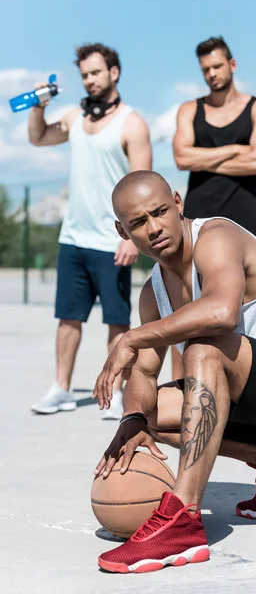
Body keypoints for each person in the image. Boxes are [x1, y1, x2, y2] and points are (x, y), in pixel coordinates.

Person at [92, 170, 256, 574]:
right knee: (152, 414)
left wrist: (131, 337)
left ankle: (182, 520)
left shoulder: (217, 237)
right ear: (122, 231)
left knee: (206, 347)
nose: (154, 228)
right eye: (138, 223)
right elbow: (144, 374)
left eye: (159, 212)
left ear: (178, 203)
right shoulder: (153, 292)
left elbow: (221, 312)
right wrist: (132, 418)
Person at [28, 43, 152, 419]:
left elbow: (142, 183)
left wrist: (130, 237)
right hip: (74, 237)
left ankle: (114, 393)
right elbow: (38, 137)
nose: (89, 80)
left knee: (116, 321)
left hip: (111, 240)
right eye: (84, 75)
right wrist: (38, 106)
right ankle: (61, 389)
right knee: (68, 319)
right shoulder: (73, 118)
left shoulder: (132, 122)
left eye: (96, 72)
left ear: (114, 73)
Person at [172, 35, 256, 378]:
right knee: (187, 314)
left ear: (232, 64)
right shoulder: (190, 109)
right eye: (205, 69)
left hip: (249, 222)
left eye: (217, 66)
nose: (212, 73)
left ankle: (252, 389)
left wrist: (204, 158)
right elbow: (181, 157)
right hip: (198, 222)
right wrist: (235, 149)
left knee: (255, 317)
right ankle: (185, 386)